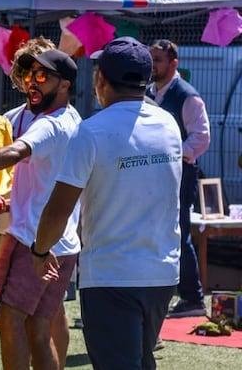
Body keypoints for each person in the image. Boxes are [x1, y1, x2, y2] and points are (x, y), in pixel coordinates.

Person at [33, 37, 181, 370]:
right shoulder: (168, 125)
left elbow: (59, 209)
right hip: (162, 272)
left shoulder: (91, 132)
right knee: (141, 362)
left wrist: (40, 250)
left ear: (100, 80)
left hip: (112, 276)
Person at [0, 48, 82, 370]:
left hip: (35, 243)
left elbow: (16, 151)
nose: (31, 82)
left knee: (9, 321)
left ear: (64, 85)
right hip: (62, 243)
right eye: (28, 75)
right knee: (37, 326)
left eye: (42, 76)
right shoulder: (67, 118)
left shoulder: (50, 124)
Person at [146, 39, 211, 319]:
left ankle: (193, 297)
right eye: (151, 59)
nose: (152, 65)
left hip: (181, 173)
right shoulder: (150, 91)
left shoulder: (187, 95)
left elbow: (202, 138)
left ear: (174, 63)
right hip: (156, 173)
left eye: (158, 60)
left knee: (180, 234)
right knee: (158, 232)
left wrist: (171, 153)